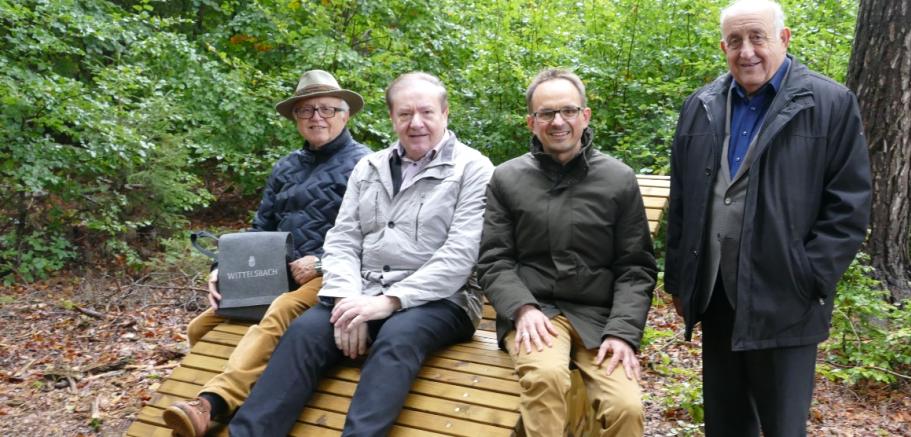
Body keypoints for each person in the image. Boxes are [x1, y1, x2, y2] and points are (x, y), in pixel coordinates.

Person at [228, 72, 494, 436]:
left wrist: (388, 302)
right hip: (362, 292)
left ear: (445, 113)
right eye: (405, 114)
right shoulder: (369, 168)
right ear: (392, 118)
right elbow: (342, 240)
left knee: (398, 336)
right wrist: (347, 299)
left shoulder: (474, 169)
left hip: (445, 299)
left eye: (427, 112)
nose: (416, 123)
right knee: (304, 332)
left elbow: (460, 257)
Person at [664, 0, 872, 435]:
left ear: (783, 38)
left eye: (757, 37)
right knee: (726, 421)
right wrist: (680, 280)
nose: (747, 51)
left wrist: (808, 276)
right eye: (735, 41)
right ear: (723, 47)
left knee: (781, 425)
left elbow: (849, 205)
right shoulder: (700, 105)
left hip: (786, 299)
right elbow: (682, 200)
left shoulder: (829, 103)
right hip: (717, 292)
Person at [162, 69, 370, 437]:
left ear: (345, 114)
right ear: (295, 119)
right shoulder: (286, 167)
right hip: (272, 274)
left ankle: (212, 404)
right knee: (203, 326)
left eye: (326, 109)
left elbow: (374, 232)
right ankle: (238, 392)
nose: (316, 118)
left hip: (333, 275)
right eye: (306, 111)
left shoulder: (367, 165)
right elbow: (260, 228)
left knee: (281, 311)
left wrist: (321, 259)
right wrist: (222, 268)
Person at [478, 69, 658, 436]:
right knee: (546, 379)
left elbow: (635, 267)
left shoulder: (618, 179)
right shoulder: (506, 179)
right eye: (546, 114)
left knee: (625, 407)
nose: (557, 121)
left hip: (599, 317)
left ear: (585, 116)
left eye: (568, 111)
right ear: (531, 123)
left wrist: (622, 333)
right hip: (537, 311)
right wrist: (522, 309)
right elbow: (495, 260)